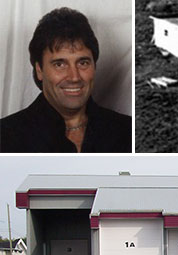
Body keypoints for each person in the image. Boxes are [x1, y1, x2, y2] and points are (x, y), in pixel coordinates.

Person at [0, 7, 131, 153]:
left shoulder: (128, 132)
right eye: (59, 64)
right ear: (39, 70)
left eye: (83, 63)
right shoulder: (5, 137)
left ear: (94, 66)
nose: (74, 77)